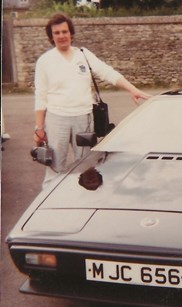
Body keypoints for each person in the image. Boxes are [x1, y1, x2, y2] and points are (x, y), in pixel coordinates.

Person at [34, 12, 151, 187]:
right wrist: (39, 128)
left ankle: (83, 201)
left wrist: (132, 89)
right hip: (56, 118)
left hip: (84, 118)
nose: (61, 36)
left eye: (64, 31)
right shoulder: (45, 61)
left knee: (86, 165)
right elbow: (41, 96)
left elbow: (107, 73)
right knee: (55, 167)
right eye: (57, 33)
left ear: (71, 33)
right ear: (51, 36)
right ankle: (49, 203)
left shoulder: (83, 54)